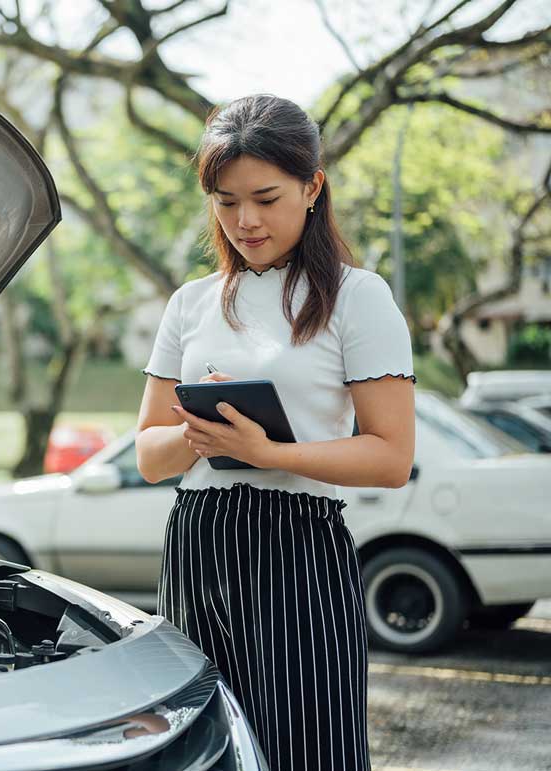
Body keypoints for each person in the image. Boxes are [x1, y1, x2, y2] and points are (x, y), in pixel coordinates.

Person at [135, 94, 416, 771]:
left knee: (307, 749)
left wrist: (266, 452)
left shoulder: (358, 296)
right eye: (226, 201)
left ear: (312, 186)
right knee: (200, 749)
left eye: (265, 197)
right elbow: (149, 452)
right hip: (197, 541)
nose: (246, 220)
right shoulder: (190, 302)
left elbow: (390, 455)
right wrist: (201, 437)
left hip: (296, 549)